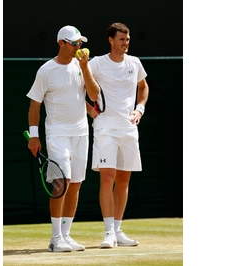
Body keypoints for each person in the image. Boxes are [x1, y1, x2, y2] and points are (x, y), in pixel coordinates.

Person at [26, 25, 100, 252]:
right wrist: (34, 136)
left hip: (81, 133)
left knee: (75, 185)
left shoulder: (82, 66)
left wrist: (86, 67)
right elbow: (34, 106)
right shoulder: (46, 70)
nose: (79, 46)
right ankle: (55, 238)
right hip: (57, 133)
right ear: (61, 43)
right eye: (74, 43)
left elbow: (94, 95)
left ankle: (66, 235)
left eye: (81, 43)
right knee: (61, 184)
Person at [88, 22, 149, 248]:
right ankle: (108, 233)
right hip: (105, 129)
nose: (126, 43)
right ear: (111, 40)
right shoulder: (97, 63)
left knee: (123, 180)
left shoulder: (134, 63)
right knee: (107, 178)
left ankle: (118, 229)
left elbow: (143, 87)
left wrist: (139, 109)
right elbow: (77, 86)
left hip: (129, 129)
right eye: (121, 39)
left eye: (128, 39)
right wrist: (88, 109)